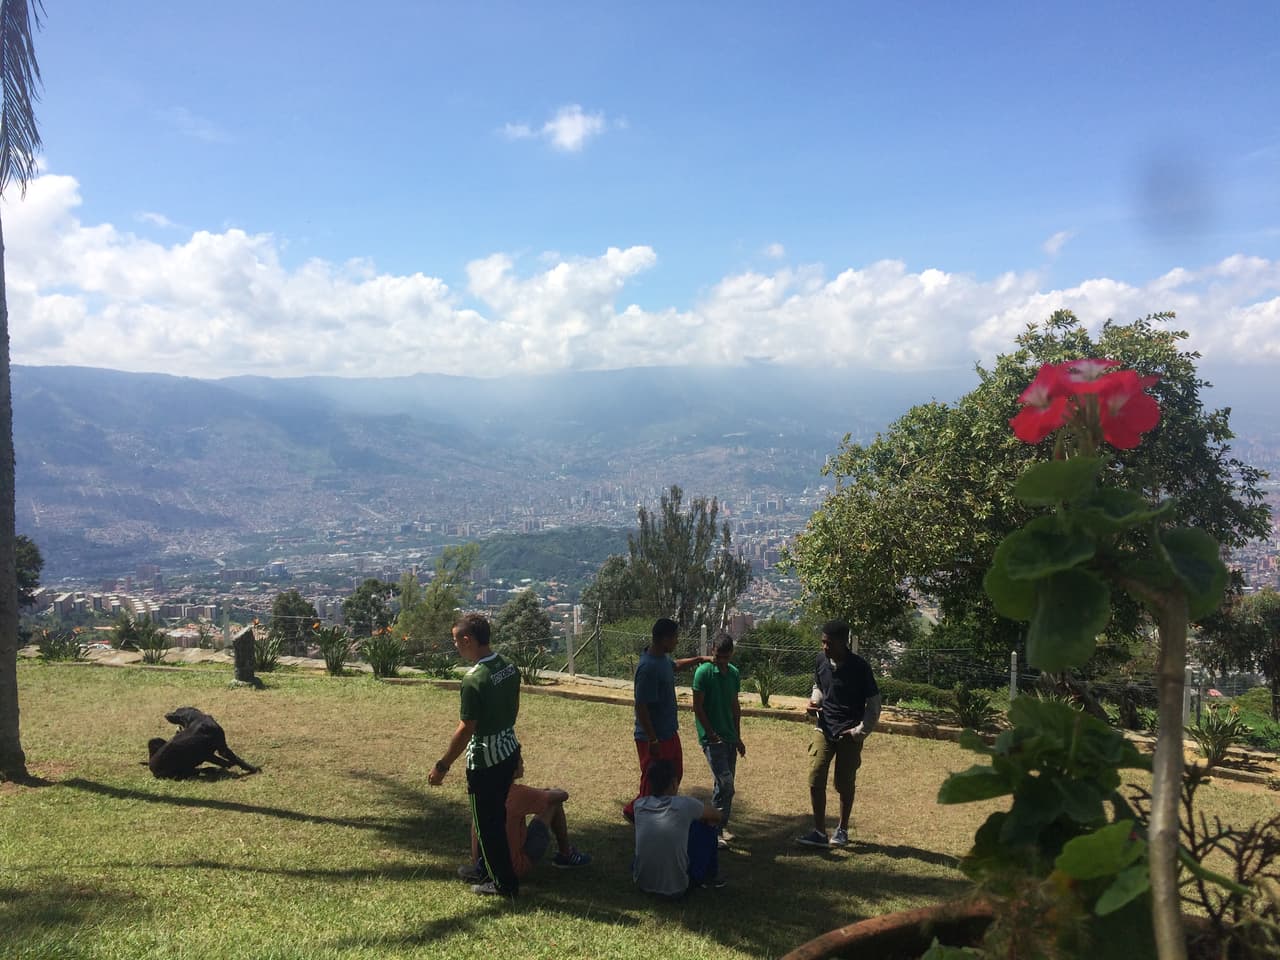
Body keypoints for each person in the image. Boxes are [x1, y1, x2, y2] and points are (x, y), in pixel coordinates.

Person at [428, 613, 523, 897]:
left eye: (456, 640)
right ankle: (484, 868)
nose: (455, 646)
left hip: (485, 761)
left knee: (487, 825)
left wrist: (442, 765)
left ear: (468, 640)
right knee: (494, 816)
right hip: (508, 750)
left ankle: (504, 883)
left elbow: (466, 729)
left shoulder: (473, 680)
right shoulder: (508, 666)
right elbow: (512, 708)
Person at [796, 620, 881, 849]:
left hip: (848, 733)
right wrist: (815, 702)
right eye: (823, 642)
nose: (824, 647)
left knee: (844, 783)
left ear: (843, 642)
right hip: (824, 727)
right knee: (815, 775)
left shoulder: (860, 667)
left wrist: (859, 732)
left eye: (829, 643)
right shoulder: (820, 660)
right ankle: (819, 832)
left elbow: (874, 704)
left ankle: (842, 830)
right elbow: (819, 686)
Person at [622, 617, 711, 822]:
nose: (677, 641)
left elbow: (674, 666)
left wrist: (698, 659)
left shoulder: (661, 659)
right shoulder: (648, 668)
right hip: (653, 737)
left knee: (674, 774)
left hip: (668, 732)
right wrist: (652, 739)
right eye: (675, 638)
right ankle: (637, 813)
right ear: (664, 639)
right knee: (654, 780)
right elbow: (641, 706)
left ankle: (648, 812)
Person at [458, 755, 591, 883]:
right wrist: (545, 792)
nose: (523, 764)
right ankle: (566, 854)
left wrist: (540, 793)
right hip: (513, 868)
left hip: (483, 865)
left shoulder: (485, 791)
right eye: (520, 761)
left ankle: (484, 870)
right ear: (512, 770)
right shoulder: (518, 793)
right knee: (553, 804)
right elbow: (563, 795)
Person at [633, 759, 724, 898]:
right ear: (674, 783)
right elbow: (717, 816)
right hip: (676, 889)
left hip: (642, 884)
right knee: (707, 828)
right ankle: (710, 876)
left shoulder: (639, 805)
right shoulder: (685, 805)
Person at [691, 632, 745, 847]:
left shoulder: (733, 673)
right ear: (712, 651)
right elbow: (697, 707)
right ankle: (712, 827)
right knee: (726, 784)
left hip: (729, 737)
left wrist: (738, 737)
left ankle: (720, 827)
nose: (721, 661)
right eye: (718, 656)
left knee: (723, 786)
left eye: (726, 657)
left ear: (731, 654)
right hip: (712, 740)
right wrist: (710, 733)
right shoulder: (703, 673)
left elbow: (734, 706)